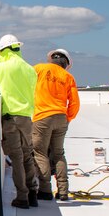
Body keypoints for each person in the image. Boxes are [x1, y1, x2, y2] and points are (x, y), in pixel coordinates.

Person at [0, 34, 41, 209]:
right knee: (28, 155)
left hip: (11, 119)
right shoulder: (30, 69)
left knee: (17, 158)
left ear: (3, 50)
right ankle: (33, 192)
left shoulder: (4, 67)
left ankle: (22, 197)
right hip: (27, 118)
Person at [32, 48, 80, 201]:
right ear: (65, 63)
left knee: (40, 153)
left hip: (42, 117)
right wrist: (68, 118)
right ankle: (63, 191)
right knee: (59, 154)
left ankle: (45, 191)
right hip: (61, 118)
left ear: (51, 58)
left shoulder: (39, 69)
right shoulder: (68, 77)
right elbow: (74, 103)